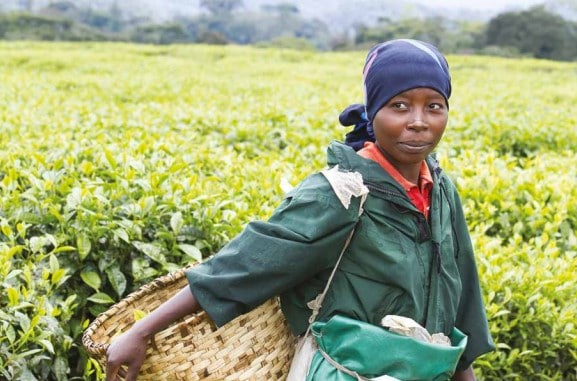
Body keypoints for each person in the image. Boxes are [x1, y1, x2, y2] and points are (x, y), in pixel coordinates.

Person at [105, 39, 494, 381]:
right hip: (348, 372)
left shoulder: (440, 191)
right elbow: (243, 266)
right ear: (374, 112)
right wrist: (141, 332)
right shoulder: (340, 194)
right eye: (399, 106)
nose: (418, 122)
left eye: (434, 106)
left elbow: (460, 296)